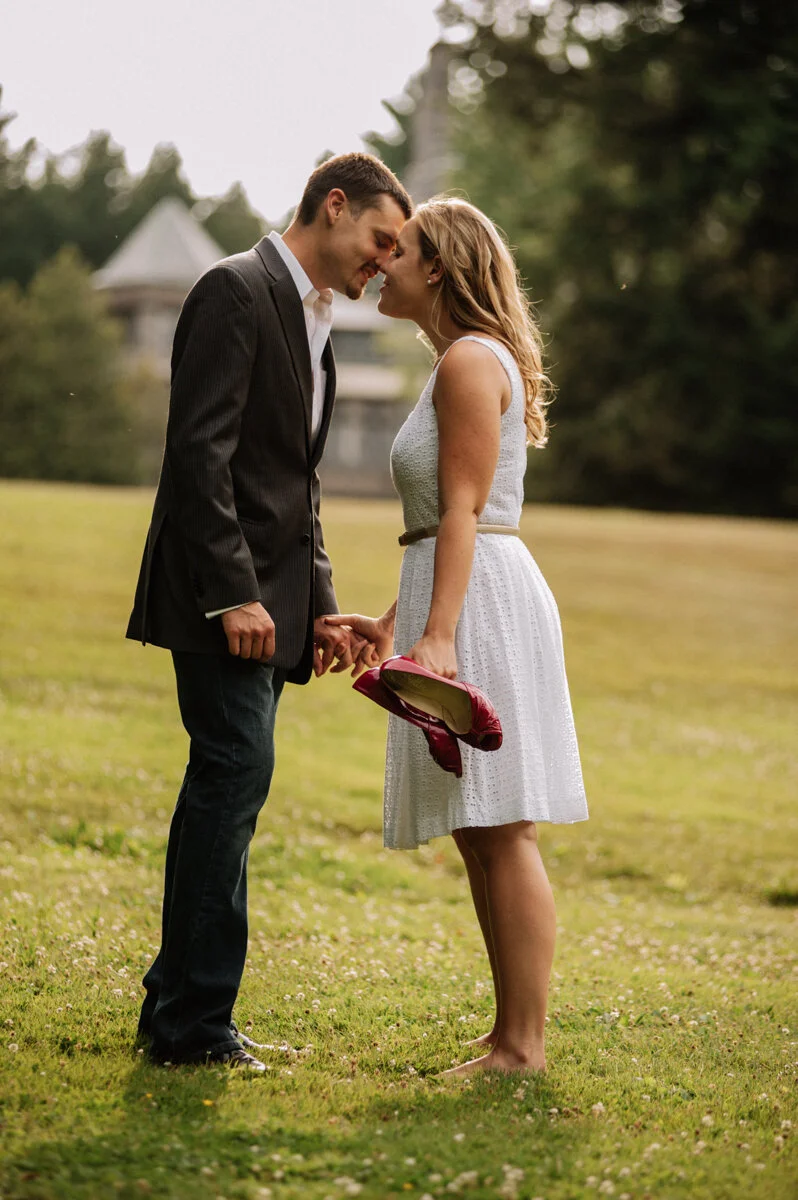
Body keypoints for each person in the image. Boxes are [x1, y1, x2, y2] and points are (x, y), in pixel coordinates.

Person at [127, 153, 411, 1070]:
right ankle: (194, 1026)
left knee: (228, 782)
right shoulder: (235, 290)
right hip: (219, 600)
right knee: (234, 773)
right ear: (335, 206)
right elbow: (198, 456)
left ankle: (177, 1006)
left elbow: (295, 482)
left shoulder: (311, 316)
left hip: (271, 604)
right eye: (381, 240)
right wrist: (235, 593)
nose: (385, 263)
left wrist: (318, 605)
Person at [327, 198, 588, 1075]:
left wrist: (437, 637)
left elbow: (466, 512)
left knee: (503, 827)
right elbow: (443, 523)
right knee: (480, 828)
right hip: (462, 592)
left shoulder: (471, 361)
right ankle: (509, 1031)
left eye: (398, 251)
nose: (381, 263)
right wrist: (393, 622)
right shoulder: (460, 360)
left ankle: (524, 1046)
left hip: (486, 604)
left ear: (437, 267)